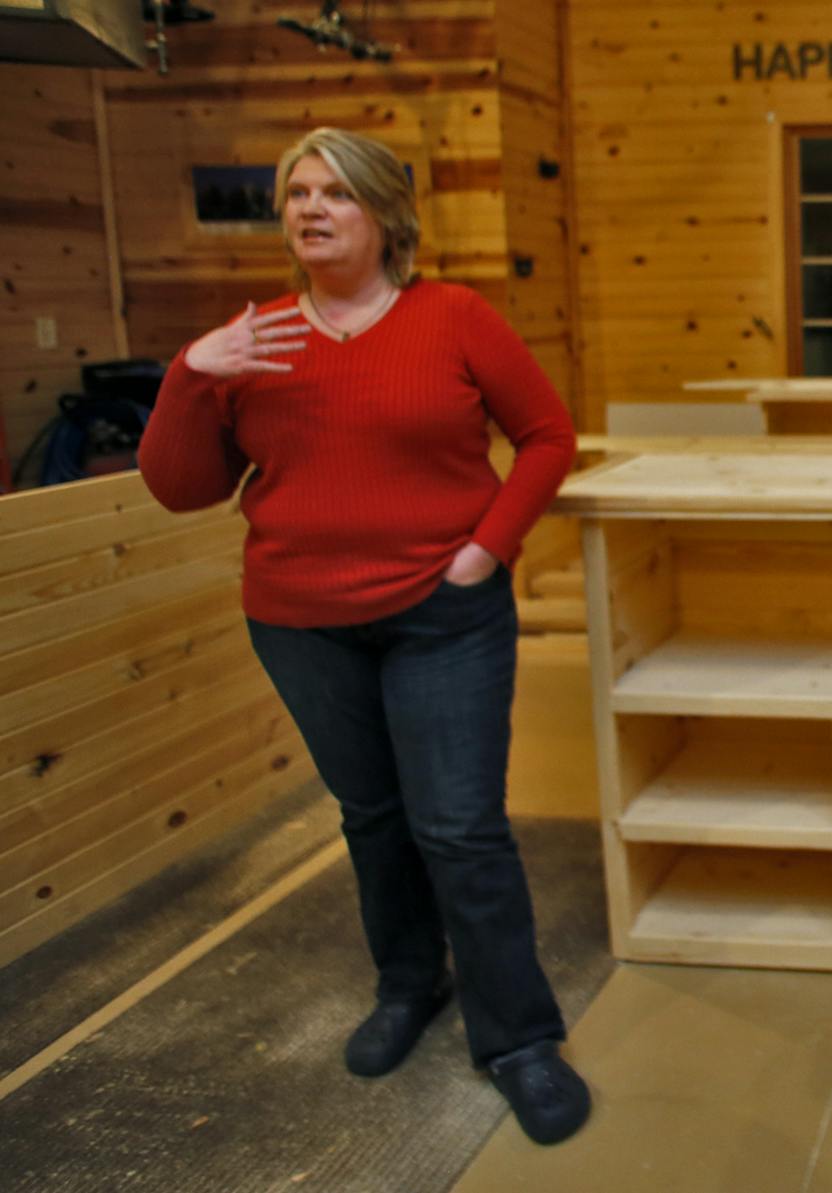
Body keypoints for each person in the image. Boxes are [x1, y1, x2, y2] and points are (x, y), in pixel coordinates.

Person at [138, 127, 588, 1146]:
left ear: (386, 214)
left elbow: (548, 436)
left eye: (334, 191)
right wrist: (190, 373)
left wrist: (485, 549)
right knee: (373, 816)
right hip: (300, 622)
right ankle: (407, 982)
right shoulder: (250, 343)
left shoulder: (454, 317)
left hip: (444, 616)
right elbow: (182, 488)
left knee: (460, 826)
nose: (309, 207)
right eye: (296, 192)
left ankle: (518, 1038)